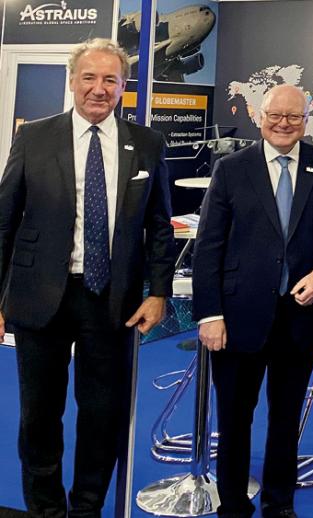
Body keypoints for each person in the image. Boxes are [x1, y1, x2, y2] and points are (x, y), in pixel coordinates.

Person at [0, 38, 176, 516]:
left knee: (102, 415)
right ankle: (46, 509)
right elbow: (5, 220)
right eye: (90, 78)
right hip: (40, 296)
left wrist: (158, 292)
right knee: (39, 415)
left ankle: (86, 508)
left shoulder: (147, 144)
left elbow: (160, 227)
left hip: (111, 300)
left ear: (123, 87)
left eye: (110, 81)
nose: (99, 89)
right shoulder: (33, 137)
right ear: (72, 81)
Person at [192, 84, 313, 518]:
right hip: (236, 319)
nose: (284, 124)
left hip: (299, 319)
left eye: (294, 117)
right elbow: (209, 246)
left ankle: (279, 504)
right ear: (259, 118)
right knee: (234, 422)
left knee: (286, 422)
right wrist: (209, 314)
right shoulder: (231, 169)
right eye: (275, 116)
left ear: (306, 120)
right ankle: (232, 506)